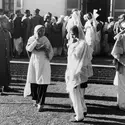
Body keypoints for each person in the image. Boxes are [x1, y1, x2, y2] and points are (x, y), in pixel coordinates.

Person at [65, 25, 93, 122]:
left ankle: (79, 115)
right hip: (72, 70)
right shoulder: (76, 43)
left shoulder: (82, 44)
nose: (72, 36)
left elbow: (77, 56)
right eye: (71, 34)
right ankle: (83, 110)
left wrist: (72, 46)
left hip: (78, 71)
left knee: (75, 93)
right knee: (78, 93)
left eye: (74, 34)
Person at [24, 25, 53, 112]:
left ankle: (41, 103)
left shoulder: (45, 39)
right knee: (33, 81)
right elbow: (29, 48)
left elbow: (50, 50)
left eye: (43, 30)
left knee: (43, 82)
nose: (42, 32)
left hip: (44, 62)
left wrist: (45, 49)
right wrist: (36, 41)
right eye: (40, 31)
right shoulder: (31, 38)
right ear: (36, 31)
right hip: (34, 62)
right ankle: (35, 99)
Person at [111, 21, 125, 111]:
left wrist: (118, 59)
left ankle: (122, 104)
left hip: (123, 63)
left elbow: (116, 52)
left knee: (122, 85)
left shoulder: (121, 37)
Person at [0, 11, 12, 94]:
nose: (7, 23)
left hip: (6, 55)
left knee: (6, 70)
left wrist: (10, 53)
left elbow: (9, 44)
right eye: (5, 22)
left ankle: (6, 86)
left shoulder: (7, 32)